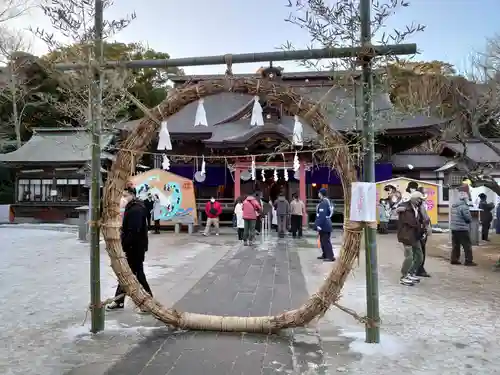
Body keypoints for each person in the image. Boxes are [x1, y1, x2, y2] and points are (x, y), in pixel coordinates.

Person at [107, 187, 153, 311]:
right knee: (127, 274)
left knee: (135, 274)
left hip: (135, 248)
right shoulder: (133, 207)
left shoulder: (136, 209)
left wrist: (125, 244)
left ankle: (149, 302)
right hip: (134, 247)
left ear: (132, 195)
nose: (123, 198)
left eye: (125, 195)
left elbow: (134, 231)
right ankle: (119, 301)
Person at [396, 191, 425, 286]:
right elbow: (412, 222)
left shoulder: (417, 208)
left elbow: (421, 220)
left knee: (420, 256)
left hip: (415, 235)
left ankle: (410, 272)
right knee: (409, 257)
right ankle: (403, 276)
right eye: (420, 199)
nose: (421, 201)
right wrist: (420, 226)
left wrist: (422, 230)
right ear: (415, 199)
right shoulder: (405, 208)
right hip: (406, 235)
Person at [450, 187, 476, 266]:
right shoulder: (464, 206)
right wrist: (469, 220)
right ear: (465, 198)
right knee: (467, 245)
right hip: (462, 229)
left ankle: (454, 259)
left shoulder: (454, 205)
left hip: (454, 228)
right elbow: (467, 218)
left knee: (455, 245)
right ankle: (468, 261)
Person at [415, 188, 431, 278]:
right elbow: (422, 218)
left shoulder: (421, 204)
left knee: (421, 251)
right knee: (420, 251)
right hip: (420, 231)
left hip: (422, 230)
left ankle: (419, 268)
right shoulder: (418, 205)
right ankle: (419, 269)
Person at [315, 188, 335, 262]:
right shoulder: (327, 201)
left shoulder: (324, 202)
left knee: (325, 240)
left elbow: (322, 215)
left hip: (324, 223)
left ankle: (330, 256)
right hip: (326, 222)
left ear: (321, 193)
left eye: (319, 193)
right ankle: (325, 254)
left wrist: (318, 225)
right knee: (323, 240)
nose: (318, 194)